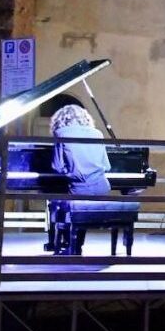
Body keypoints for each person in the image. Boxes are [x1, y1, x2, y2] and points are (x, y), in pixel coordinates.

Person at [46, 105, 112, 254]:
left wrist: (70, 172)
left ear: (61, 119)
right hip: (102, 188)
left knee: (57, 203)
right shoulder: (97, 134)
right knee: (74, 200)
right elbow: (107, 166)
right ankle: (74, 244)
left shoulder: (61, 133)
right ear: (84, 118)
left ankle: (66, 244)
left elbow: (56, 166)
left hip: (79, 188)